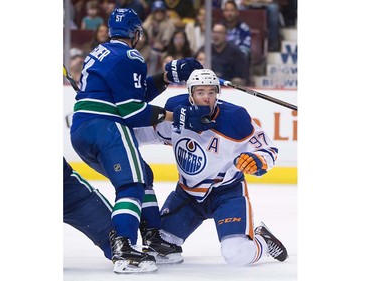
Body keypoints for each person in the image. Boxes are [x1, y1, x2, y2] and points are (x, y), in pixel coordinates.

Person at [69, 8, 202, 273]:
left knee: (143, 174)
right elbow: (133, 111)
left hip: (81, 131)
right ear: (135, 32)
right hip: (107, 128)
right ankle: (124, 248)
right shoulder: (131, 56)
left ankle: (153, 237)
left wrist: (166, 78)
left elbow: (131, 92)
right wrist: (179, 117)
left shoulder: (99, 52)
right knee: (132, 184)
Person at [134, 68, 288, 266]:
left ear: (217, 93)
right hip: (187, 196)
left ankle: (263, 243)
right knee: (159, 246)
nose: (206, 98)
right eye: (200, 92)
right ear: (190, 94)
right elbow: (146, 133)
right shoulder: (176, 113)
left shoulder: (235, 119)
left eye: (211, 92)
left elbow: (268, 148)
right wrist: (114, 135)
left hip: (227, 194)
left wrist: (257, 160)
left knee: (236, 255)